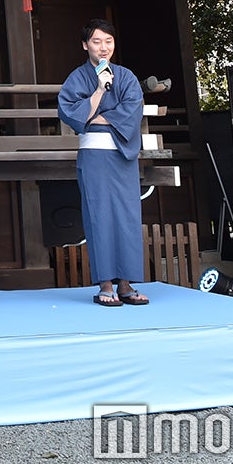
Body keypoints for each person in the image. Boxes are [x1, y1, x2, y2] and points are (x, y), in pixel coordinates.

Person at [57, 19, 149, 307]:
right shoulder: (77, 78)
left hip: (123, 156)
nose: (104, 47)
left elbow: (132, 111)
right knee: (99, 217)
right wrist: (98, 90)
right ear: (86, 45)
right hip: (94, 156)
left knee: (128, 217)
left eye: (108, 41)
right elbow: (72, 114)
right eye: (97, 41)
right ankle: (105, 284)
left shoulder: (127, 77)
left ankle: (126, 284)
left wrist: (94, 116)